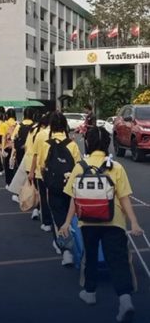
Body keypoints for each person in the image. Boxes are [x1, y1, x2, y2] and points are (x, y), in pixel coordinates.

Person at [60, 126, 144, 323]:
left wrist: (66, 222)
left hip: (87, 221)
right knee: (118, 259)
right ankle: (125, 300)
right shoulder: (116, 167)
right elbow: (124, 198)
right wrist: (134, 222)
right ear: (107, 144)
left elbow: (73, 198)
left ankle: (90, 292)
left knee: (90, 256)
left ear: (87, 142)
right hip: (114, 221)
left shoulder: (80, 167)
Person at [37, 111, 81, 265]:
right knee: (72, 216)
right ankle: (77, 245)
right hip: (70, 186)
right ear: (64, 126)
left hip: (54, 187)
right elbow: (79, 167)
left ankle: (66, 251)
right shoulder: (72, 144)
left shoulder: (46, 144)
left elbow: (42, 166)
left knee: (58, 217)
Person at [29, 112, 54, 231]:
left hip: (41, 171)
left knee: (43, 197)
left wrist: (31, 171)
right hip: (59, 172)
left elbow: (35, 154)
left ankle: (47, 223)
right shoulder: (63, 134)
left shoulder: (40, 134)